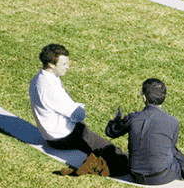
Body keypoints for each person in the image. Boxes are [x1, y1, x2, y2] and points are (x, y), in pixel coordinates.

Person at [105, 78, 184, 186]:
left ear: (144, 98)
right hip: (161, 178)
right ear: (164, 97)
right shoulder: (172, 122)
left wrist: (116, 119)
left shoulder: (133, 118)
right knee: (172, 154)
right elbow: (170, 148)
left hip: (135, 175)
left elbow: (111, 132)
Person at [29, 43, 127, 172]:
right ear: (51, 64)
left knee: (92, 140)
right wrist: (79, 106)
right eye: (63, 64)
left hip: (53, 134)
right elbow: (78, 115)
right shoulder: (49, 89)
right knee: (105, 147)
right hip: (63, 137)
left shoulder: (39, 78)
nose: (67, 67)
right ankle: (128, 163)